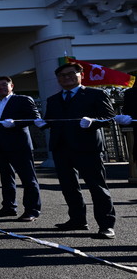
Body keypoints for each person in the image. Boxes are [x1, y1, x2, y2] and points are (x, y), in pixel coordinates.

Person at [36, 62, 117, 239]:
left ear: (81, 75)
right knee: (69, 187)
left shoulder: (95, 94)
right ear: (58, 79)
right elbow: (50, 120)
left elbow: (109, 117)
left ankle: (106, 225)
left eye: (71, 74)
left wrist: (93, 121)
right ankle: (77, 220)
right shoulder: (53, 99)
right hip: (61, 148)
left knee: (97, 187)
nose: (66, 77)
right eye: (62, 75)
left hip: (87, 147)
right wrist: (42, 123)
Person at [0, 76, 42, 222]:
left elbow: (34, 117)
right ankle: (9, 207)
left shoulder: (23, 99)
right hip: (0, 146)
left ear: (12, 86)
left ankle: (32, 210)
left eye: (4, 84)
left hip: (19, 145)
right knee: (6, 178)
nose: (0, 87)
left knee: (28, 179)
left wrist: (16, 123)